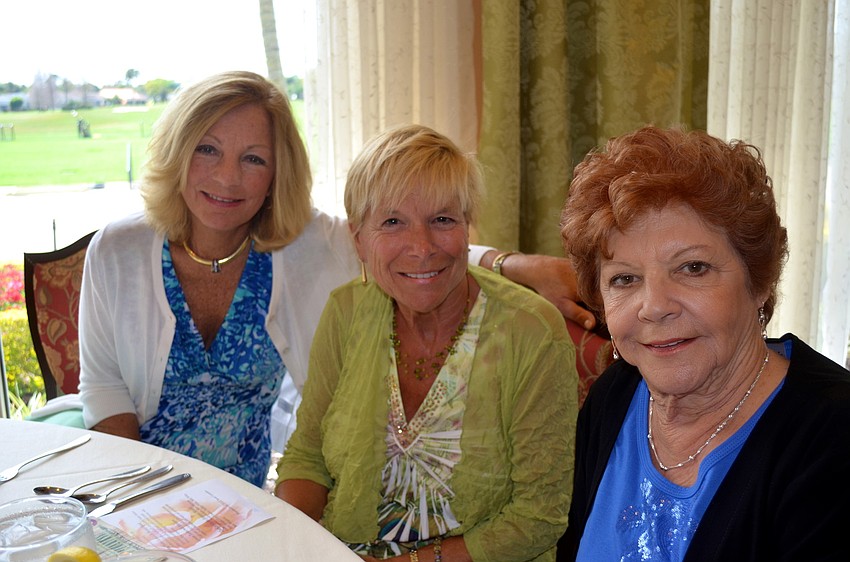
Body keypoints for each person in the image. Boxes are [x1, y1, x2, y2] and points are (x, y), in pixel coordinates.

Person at [77, 71, 588, 488]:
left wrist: (515, 265)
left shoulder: (304, 246)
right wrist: (139, 496)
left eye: (253, 159)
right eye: (208, 150)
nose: (228, 177)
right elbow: (104, 389)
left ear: (277, 174)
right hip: (128, 483)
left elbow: (410, 245)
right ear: (178, 151)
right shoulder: (118, 250)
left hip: (250, 501)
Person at [276, 124, 577, 561]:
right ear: (359, 240)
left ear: (467, 227)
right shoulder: (346, 312)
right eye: (393, 222)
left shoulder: (530, 333)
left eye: (442, 220)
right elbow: (307, 456)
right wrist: (296, 547)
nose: (421, 247)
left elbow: (539, 515)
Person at [556, 126, 850, 561]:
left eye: (693, 268)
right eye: (625, 279)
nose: (654, 307)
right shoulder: (615, 396)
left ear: (760, 280)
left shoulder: (832, 439)